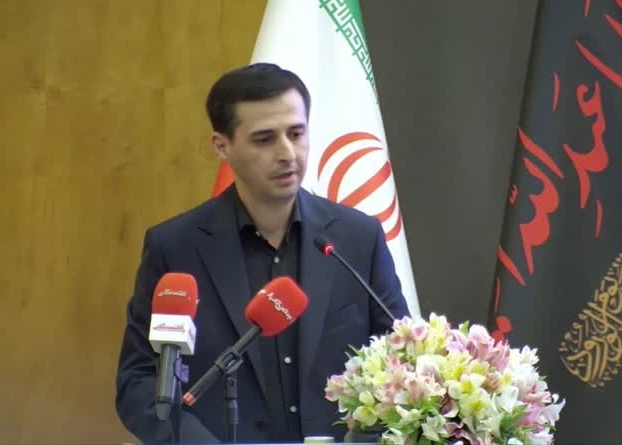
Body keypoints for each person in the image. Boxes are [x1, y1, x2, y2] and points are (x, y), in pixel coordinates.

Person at [115, 63, 410, 444]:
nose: (287, 153)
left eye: (296, 133)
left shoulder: (357, 239)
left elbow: (402, 361)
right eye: (264, 139)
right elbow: (139, 380)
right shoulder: (176, 247)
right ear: (222, 145)